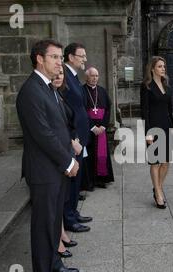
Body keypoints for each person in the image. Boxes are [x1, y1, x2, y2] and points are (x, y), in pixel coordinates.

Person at [16, 39, 80, 272]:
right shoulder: (31, 91)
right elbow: (43, 134)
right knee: (43, 227)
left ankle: (54, 263)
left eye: (59, 57)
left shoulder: (49, 88)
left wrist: (68, 156)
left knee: (54, 223)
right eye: (54, 57)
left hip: (56, 169)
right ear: (39, 59)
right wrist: (68, 161)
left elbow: (60, 127)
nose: (58, 62)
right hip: (44, 172)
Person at [60, 42, 92, 233]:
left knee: (77, 177)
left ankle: (73, 212)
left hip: (80, 135)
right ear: (71, 57)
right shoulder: (63, 76)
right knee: (71, 179)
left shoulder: (73, 76)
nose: (84, 59)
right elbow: (65, 110)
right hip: (73, 137)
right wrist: (73, 137)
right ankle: (69, 218)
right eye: (82, 56)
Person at [51, 70, 82, 258]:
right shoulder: (48, 95)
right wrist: (71, 142)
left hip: (67, 148)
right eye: (55, 74)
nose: (58, 77)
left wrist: (74, 138)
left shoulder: (60, 94)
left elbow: (67, 122)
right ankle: (58, 239)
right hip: (58, 153)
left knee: (62, 195)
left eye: (61, 74)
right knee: (56, 199)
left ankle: (61, 231)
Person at [140, 56, 173, 209]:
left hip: (167, 127)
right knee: (156, 162)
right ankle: (159, 193)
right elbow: (145, 111)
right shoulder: (146, 86)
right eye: (160, 66)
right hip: (153, 128)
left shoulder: (167, 85)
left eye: (164, 66)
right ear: (152, 68)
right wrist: (147, 133)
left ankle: (158, 188)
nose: (163, 69)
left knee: (166, 161)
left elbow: (170, 109)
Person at [82, 67, 115, 190]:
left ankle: (101, 180)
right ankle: (90, 181)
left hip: (101, 128)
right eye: (92, 76)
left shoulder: (102, 91)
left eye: (96, 76)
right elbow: (82, 112)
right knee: (89, 155)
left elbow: (108, 109)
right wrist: (92, 127)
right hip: (88, 128)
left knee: (102, 154)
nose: (95, 78)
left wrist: (103, 126)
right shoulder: (82, 91)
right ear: (87, 77)